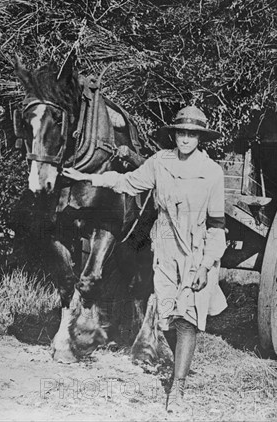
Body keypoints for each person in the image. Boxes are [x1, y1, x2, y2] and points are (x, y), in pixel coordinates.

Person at [62, 106, 227, 413]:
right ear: (174, 135)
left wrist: (206, 265)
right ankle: (180, 358)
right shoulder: (159, 162)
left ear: (200, 138)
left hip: (195, 249)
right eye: (181, 133)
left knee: (186, 318)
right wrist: (88, 177)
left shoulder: (212, 172)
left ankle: (177, 386)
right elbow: (128, 182)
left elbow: (217, 225)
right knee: (165, 318)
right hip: (164, 246)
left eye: (192, 134)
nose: (186, 139)